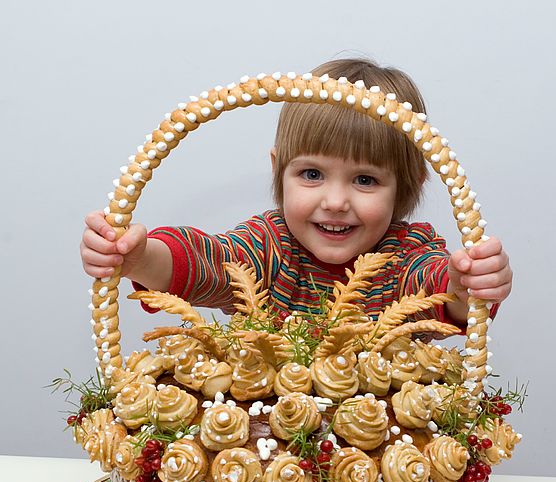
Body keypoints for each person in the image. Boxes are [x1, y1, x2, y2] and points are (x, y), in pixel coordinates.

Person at [80, 58, 513, 330]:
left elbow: (441, 293)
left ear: (408, 186)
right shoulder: (268, 247)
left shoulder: (405, 257)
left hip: (380, 450)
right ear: (278, 171)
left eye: (365, 180)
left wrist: (467, 283)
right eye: (311, 174)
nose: (336, 201)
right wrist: (139, 258)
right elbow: (204, 262)